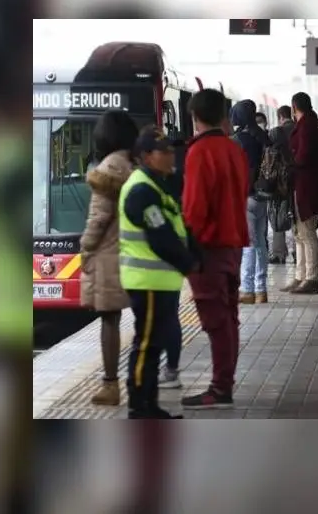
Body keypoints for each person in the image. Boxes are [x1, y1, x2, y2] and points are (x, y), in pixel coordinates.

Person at [119, 125, 199, 419]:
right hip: (148, 282)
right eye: (163, 152)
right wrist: (189, 264)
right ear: (147, 157)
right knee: (146, 345)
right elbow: (160, 235)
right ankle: (139, 407)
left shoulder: (158, 185)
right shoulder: (141, 190)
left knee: (153, 346)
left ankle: (149, 404)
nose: (170, 156)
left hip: (161, 281)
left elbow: (179, 228)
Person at [181, 88, 249, 410]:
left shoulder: (198, 152)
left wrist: (185, 248)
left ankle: (220, 388)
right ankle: (225, 384)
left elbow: (195, 207)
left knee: (215, 321)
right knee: (229, 317)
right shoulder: (234, 150)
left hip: (208, 247)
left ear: (194, 117)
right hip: (233, 244)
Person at [80, 109, 140, 406]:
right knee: (146, 319)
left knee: (110, 321)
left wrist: (85, 249)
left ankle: (110, 384)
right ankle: (145, 377)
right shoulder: (134, 164)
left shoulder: (107, 169)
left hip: (109, 256)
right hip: (135, 253)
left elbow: (98, 218)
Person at [283, 92, 318, 295]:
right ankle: (300, 276)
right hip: (302, 185)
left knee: (307, 233)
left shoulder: (307, 126)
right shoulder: (308, 124)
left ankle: (311, 279)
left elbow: (304, 155)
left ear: (294, 107)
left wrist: (291, 162)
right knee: (299, 233)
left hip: (307, 187)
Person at [231, 100, 272, 304]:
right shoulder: (264, 136)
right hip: (263, 196)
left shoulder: (237, 139)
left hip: (245, 197)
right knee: (261, 243)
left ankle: (247, 290)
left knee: (248, 244)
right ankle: (261, 289)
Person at [269, 105, 296, 264]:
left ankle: (279, 253)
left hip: (279, 182)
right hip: (296, 180)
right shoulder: (298, 130)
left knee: (278, 215)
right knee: (296, 217)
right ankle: (297, 252)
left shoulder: (276, 132)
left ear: (280, 116)